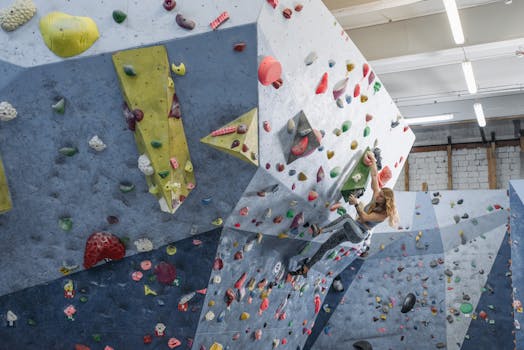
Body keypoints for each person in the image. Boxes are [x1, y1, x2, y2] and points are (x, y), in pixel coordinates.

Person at [290, 151, 399, 277]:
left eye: (380, 196)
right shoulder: (376, 196)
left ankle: (320, 230)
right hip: (353, 228)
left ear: (385, 201)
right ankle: (306, 268)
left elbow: (364, 217)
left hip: (359, 234)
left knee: (347, 218)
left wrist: (357, 204)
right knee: (326, 245)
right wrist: (373, 160)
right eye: (379, 194)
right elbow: (374, 176)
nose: (377, 195)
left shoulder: (383, 214)